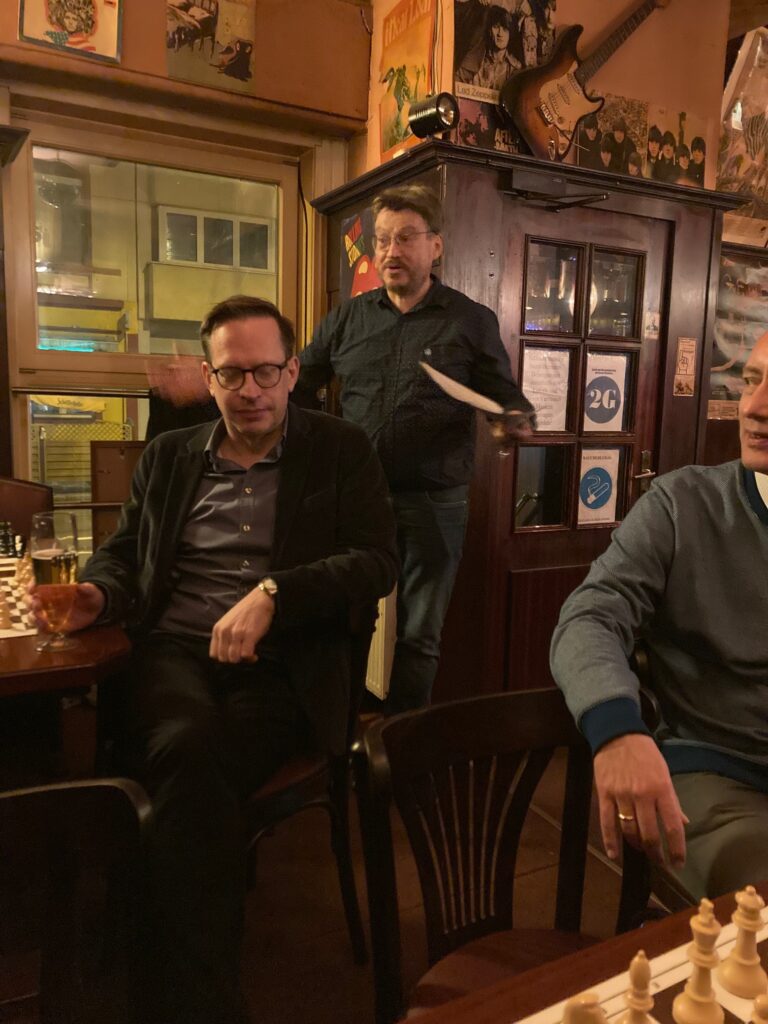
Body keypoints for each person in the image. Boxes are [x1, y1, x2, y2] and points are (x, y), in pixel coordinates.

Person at [30, 295, 399, 1024]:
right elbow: (125, 554)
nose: (249, 389)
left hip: (283, 667)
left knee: (185, 765)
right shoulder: (170, 456)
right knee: (190, 752)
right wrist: (98, 596)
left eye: (265, 371)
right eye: (231, 374)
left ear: (293, 372)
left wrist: (276, 593)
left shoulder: (340, 449)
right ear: (208, 377)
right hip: (174, 654)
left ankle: (158, 987)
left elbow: (376, 562)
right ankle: (203, 1001)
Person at [295, 184, 534, 714]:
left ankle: (400, 745)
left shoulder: (470, 320)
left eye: (405, 238)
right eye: (382, 240)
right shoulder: (347, 319)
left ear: (435, 246)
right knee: (349, 620)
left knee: (421, 635)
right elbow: (298, 385)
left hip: (434, 501)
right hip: (358, 500)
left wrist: (512, 420)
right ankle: (344, 735)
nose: (390, 251)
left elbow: (505, 397)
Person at [550, 329, 768, 900]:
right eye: (750, 382)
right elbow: (588, 618)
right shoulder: (682, 505)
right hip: (718, 773)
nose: (755, 407)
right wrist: (617, 729)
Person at [459, 5, 521, 90]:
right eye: (496, 27)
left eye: (505, 28)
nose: (500, 33)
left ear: (510, 33)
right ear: (489, 30)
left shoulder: (515, 68)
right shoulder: (476, 60)